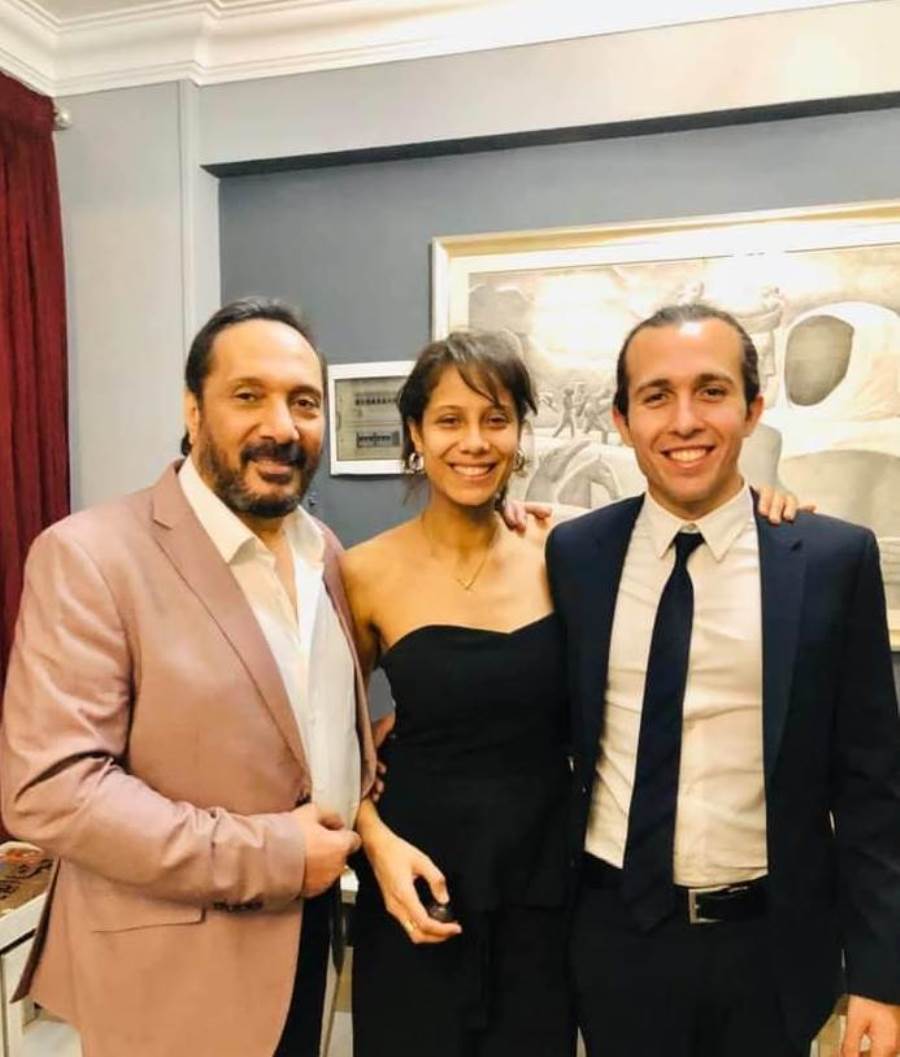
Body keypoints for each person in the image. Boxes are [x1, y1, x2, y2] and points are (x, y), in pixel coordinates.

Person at [340, 329, 801, 1057]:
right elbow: (325, 739)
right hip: (416, 876)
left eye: (496, 419)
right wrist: (374, 838)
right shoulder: (362, 571)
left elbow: (693, 519)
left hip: (545, 886)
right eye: (450, 420)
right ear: (416, 434)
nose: (474, 442)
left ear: (520, 433)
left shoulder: (565, 550)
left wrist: (766, 503)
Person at [0, 297, 376, 1057]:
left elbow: (301, 728)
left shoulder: (325, 552)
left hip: (307, 942)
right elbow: (51, 788)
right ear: (193, 410)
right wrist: (275, 855)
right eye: (249, 395)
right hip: (172, 972)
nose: (281, 426)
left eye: (304, 402)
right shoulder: (91, 555)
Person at [547, 303, 900, 1057]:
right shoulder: (575, 554)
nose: (685, 421)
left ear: (753, 409)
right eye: (656, 396)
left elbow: (871, 789)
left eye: (711, 391)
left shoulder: (830, 562)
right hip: (614, 939)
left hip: (769, 950)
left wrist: (880, 977)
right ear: (621, 419)